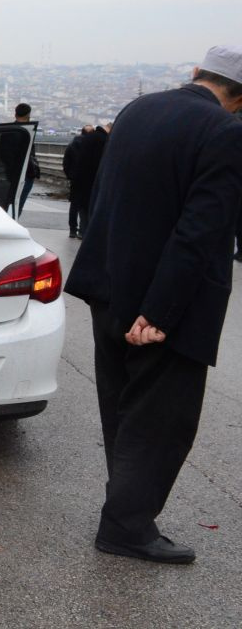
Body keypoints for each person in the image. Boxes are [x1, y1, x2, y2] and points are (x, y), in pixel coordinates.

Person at [64, 45, 242, 565]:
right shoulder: (225, 133)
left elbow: (110, 198)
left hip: (108, 288)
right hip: (164, 305)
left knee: (121, 407)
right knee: (162, 420)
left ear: (194, 74)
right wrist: (160, 311)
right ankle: (127, 527)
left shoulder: (137, 110)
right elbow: (200, 232)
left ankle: (127, 510)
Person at [64, 124, 108, 239]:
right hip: (88, 180)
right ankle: (83, 230)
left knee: (74, 205)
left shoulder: (72, 145)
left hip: (76, 180)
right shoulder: (95, 144)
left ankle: (73, 230)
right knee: (85, 206)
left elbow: (66, 163)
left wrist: (70, 175)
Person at [0, 102, 39, 216]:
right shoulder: (28, 132)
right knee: (18, 206)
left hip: (11, 175)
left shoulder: (7, 131)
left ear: (15, 115)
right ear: (29, 115)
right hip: (26, 174)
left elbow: (3, 155)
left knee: (9, 205)